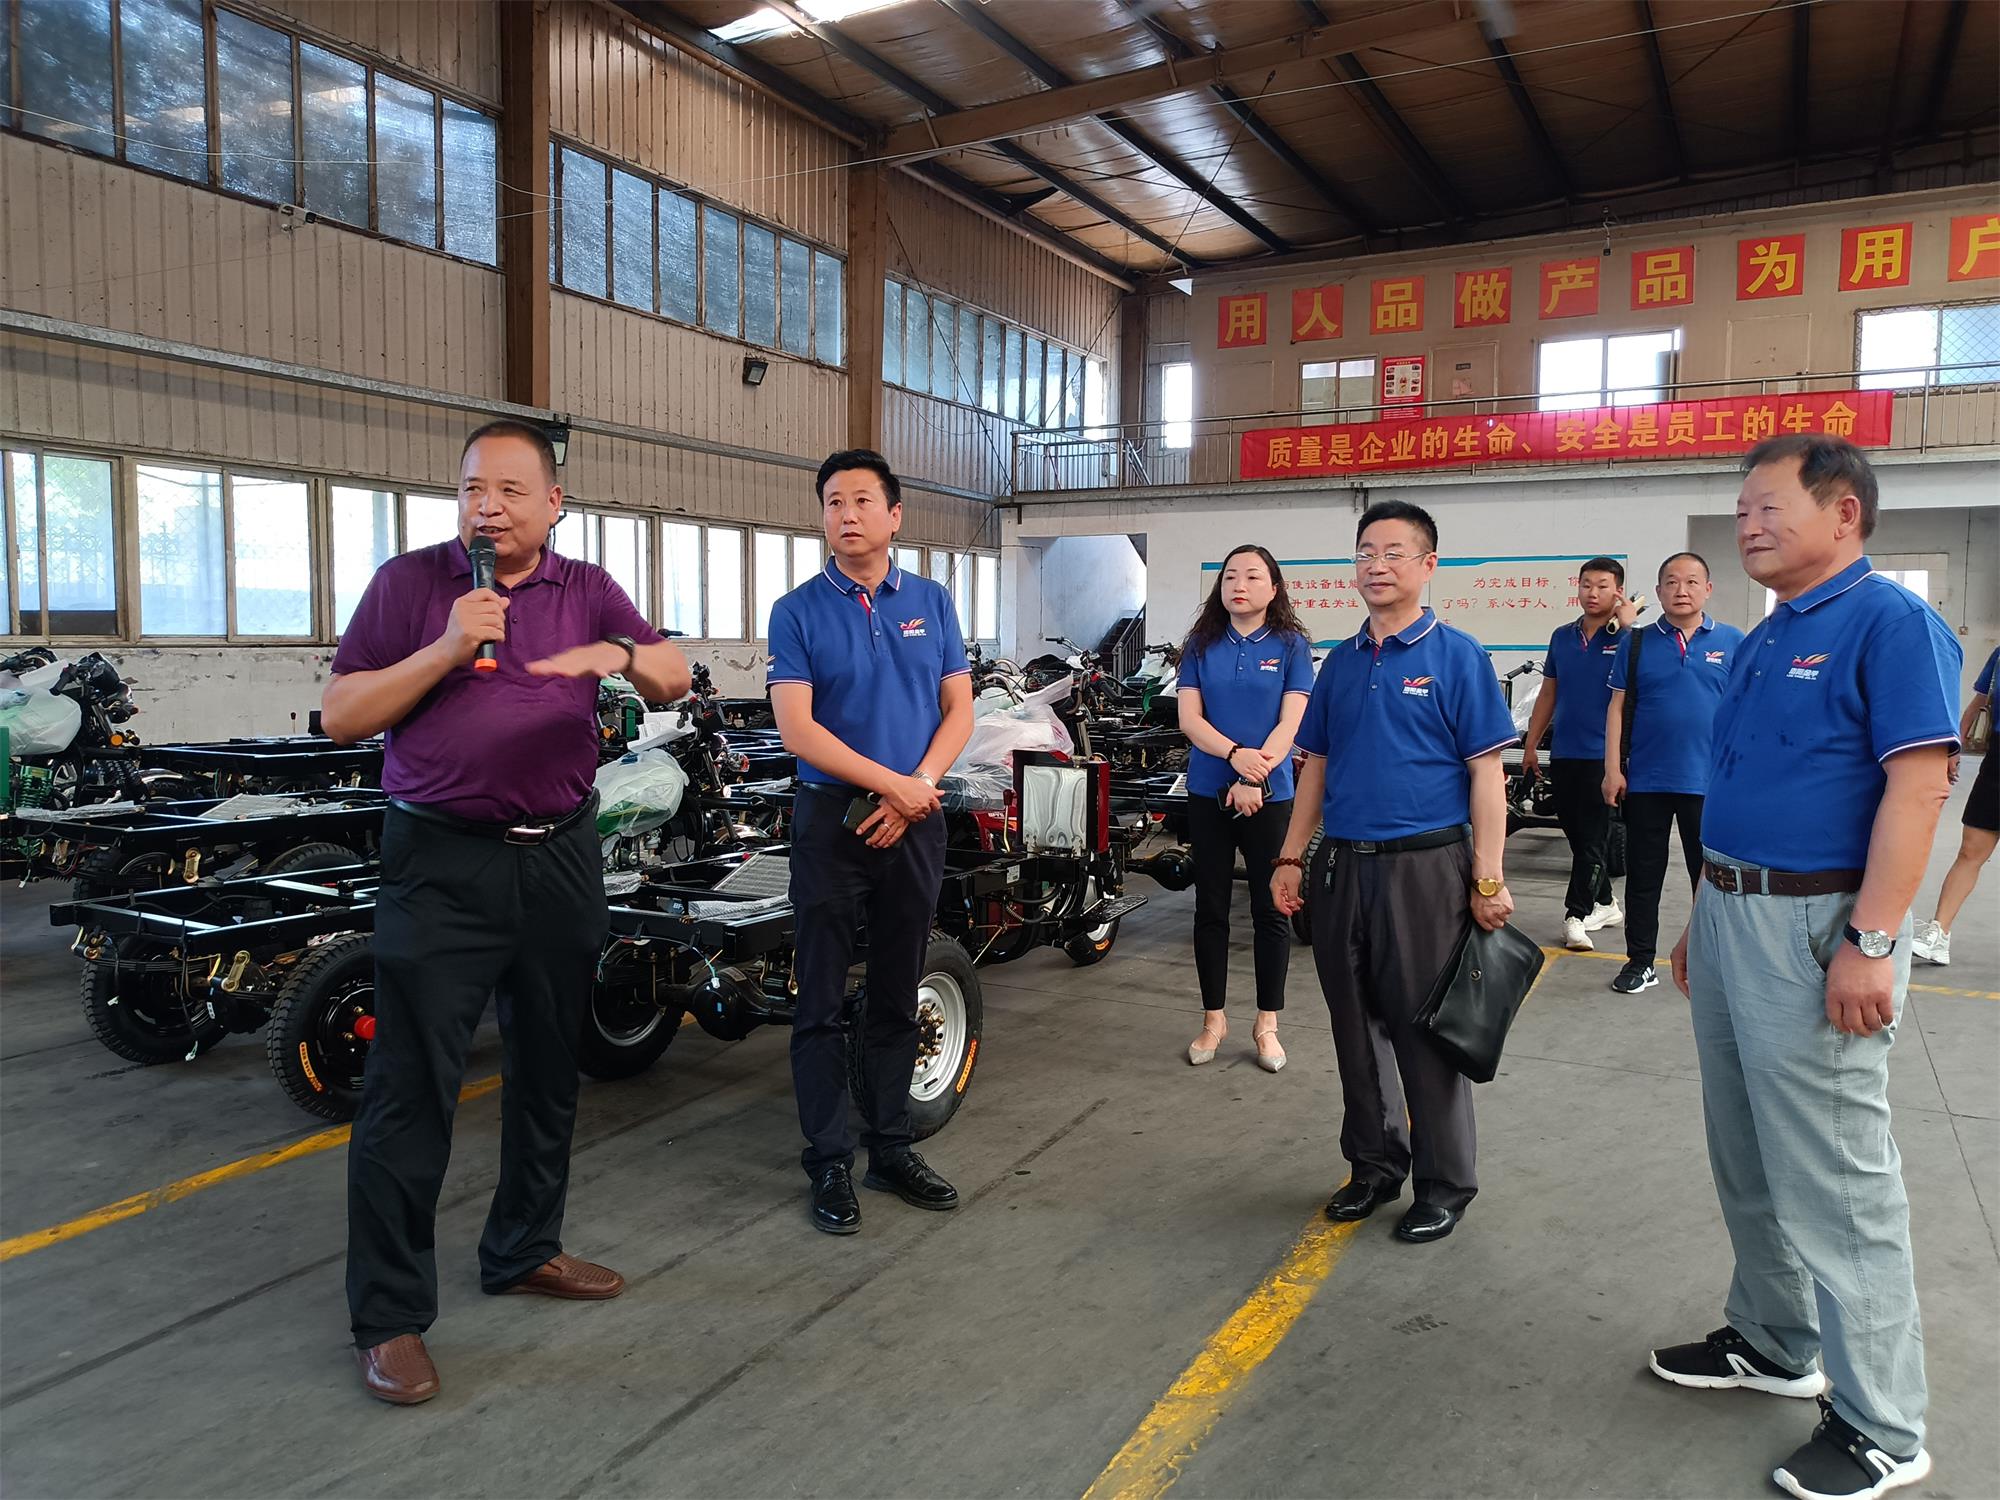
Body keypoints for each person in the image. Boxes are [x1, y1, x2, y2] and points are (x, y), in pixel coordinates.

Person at [324, 419, 691, 1406]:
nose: (486, 506)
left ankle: (525, 1247)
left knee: (548, 1065)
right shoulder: (409, 585)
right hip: (441, 862)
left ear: (554, 503)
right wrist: (448, 647)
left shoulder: (588, 588)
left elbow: (670, 675)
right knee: (411, 1086)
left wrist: (616, 651)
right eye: (471, 489)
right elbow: (343, 714)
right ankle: (389, 1317)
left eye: (509, 490)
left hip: (561, 855)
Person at [1655, 435, 1959, 1500]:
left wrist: (1871, 940)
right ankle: (1773, 1340)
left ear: (1843, 514)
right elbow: (1739, 783)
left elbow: (1918, 789)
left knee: (1835, 1176)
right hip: (1732, 910)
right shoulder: (1764, 636)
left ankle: (1882, 1425)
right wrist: (1702, 914)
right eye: (1739, 509)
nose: (1746, 525)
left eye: (1767, 506)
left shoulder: (1891, 624)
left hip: (1818, 924)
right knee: (1744, 1147)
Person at [1271, 500, 1518, 1245]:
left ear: (1428, 565)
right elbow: (1315, 769)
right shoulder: (1341, 663)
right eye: (1365, 553)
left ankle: (1445, 1184)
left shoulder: (1458, 656)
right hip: (1344, 866)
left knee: (1424, 1030)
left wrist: (1488, 875)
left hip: (1427, 869)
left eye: (1393, 553)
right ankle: (1375, 1165)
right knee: (1353, 1027)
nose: (1375, 566)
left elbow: (1487, 775)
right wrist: (1292, 856)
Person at [767, 450, 975, 1236]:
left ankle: (890, 1146)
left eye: (861, 500)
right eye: (832, 501)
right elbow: (798, 730)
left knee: (896, 989)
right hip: (833, 822)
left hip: (915, 820)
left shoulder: (931, 601)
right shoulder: (797, 610)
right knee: (820, 1000)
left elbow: (959, 708)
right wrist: (894, 786)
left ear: (895, 515)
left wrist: (917, 785)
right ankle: (828, 1160)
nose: (845, 514)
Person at [1176, 545, 1315, 1071]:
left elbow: (1291, 722)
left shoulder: (1292, 645)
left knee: (1270, 908)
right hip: (1208, 791)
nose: (1239, 584)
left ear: (1273, 589)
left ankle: (1267, 1023)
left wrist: (1254, 773)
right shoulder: (1200, 644)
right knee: (1209, 908)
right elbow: (1190, 720)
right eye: (1231, 576)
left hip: (1271, 796)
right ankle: (1214, 1018)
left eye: (1253, 576)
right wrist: (1235, 757)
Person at [1599, 553, 1746, 994]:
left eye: (1692, 582)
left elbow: (1746, 712)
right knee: (1644, 877)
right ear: (1658, 591)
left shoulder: (1733, 641)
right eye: (1672, 582)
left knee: (1712, 878)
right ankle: (1640, 961)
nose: (1682, 590)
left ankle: (1708, 960)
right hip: (1647, 780)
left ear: (1708, 589)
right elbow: (1616, 708)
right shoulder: (1636, 643)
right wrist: (1612, 770)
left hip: (1710, 783)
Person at [1521, 556, 1638, 950]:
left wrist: (1628, 627)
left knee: (1592, 838)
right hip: (1566, 752)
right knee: (1579, 836)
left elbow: (1644, 677)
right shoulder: (1562, 637)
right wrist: (1532, 743)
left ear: (1618, 591)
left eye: (1603, 586)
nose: (1592, 593)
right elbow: (1548, 693)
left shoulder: (1628, 639)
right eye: (1586, 585)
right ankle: (1606, 903)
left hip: (1605, 757)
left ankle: (1576, 915)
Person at [1912, 644, 1998, 966]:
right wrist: (1954, 746)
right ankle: (1939, 934)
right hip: (1997, 764)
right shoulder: (1999, 656)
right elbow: (1978, 703)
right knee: (1970, 851)